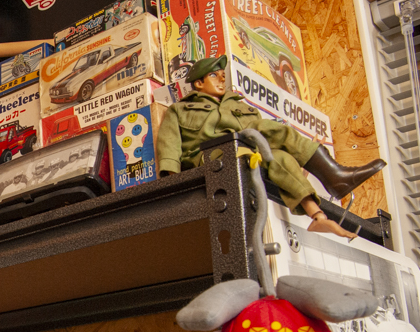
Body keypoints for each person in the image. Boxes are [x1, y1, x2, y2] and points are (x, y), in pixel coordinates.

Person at [156, 55, 385, 239]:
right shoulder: (180, 110)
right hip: (210, 159)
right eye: (214, 75)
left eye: (223, 75)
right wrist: (174, 188)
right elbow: (169, 146)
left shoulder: (241, 106)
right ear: (198, 83)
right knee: (266, 129)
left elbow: (263, 142)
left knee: (281, 158)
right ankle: (334, 176)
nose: (221, 80)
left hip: (245, 154)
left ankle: (318, 217)